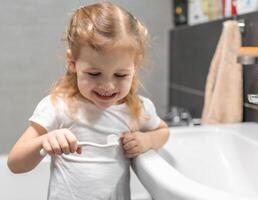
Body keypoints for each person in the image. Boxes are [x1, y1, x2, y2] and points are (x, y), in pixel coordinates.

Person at [7, 2, 169, 200]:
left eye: (120, 75)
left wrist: (147, 140)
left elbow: (163, 131)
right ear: (73, 63)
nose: (107, 86)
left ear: (135, 66)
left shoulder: (135, 108)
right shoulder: (60, 106)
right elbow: (15, 163)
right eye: (94, 73)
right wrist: (44, 140)